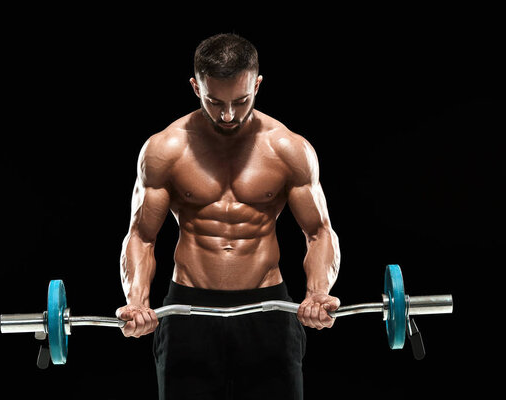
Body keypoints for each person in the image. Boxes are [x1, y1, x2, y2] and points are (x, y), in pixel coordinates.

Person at [116, 33, 341, 400]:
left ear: (258, 83)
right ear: (195, 86)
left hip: (268, 308)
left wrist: (318, 293)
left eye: (241, 100)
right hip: (189, 311)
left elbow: (319, 232)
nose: (227, 114)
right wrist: (137, 300)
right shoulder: (165, 149)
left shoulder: (288, 149)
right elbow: (141, 236)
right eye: (214, 100)